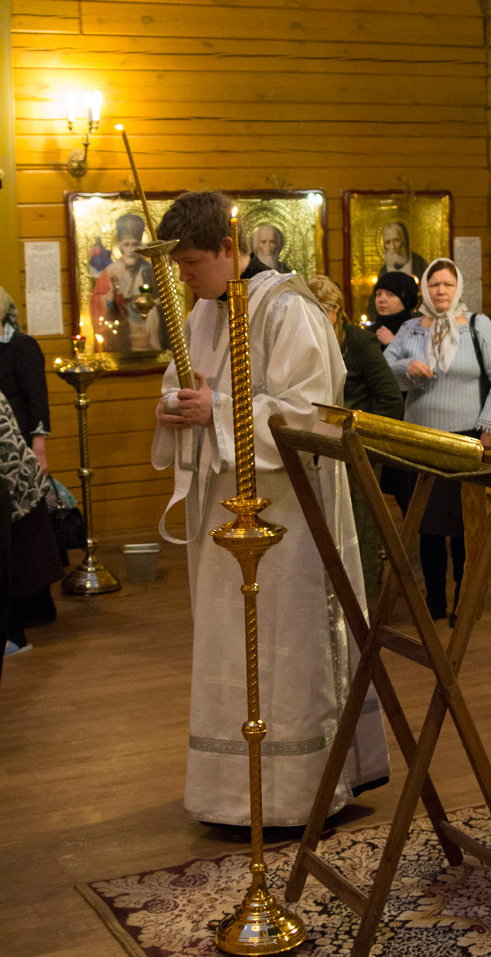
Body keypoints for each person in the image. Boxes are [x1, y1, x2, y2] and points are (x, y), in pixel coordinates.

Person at [151, 190, 389, 828]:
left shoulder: (288, 309)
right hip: (222, 516)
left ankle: (298, 793)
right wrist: (175, 407)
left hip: (287, 520)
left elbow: (313, 413)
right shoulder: (204, 311)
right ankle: (232, 794)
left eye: (192, 262)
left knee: (285, 648)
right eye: (178, 265)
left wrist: (217, 413)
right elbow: (187, 386)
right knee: (229, 650)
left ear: (229, 248)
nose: (184, 276)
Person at [384, 258, 491, 626]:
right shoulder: (410, 328)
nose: (440, 290)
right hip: (420, 438)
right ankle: (434, 600)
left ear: (458, 289)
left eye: (447, 284)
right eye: (434, 284)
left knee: (462, 525)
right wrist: (406, 368)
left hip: (465, 438)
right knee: (426, 524)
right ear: (425, 288)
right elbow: (384, 371)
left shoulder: (478, 325)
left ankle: (463, 600)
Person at [307, 275, 403, 597]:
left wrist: (361, 438)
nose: (317, 317)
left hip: (357, 447)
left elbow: (390, 397)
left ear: (337, 311)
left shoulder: (358, 342)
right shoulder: (305, 339)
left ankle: (364, 597)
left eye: (323, 309)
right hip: (320, 446)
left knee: (361, 522)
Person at [0, 287, 58, 629]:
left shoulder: (20, 345)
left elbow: (38, 399)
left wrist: (39, 448)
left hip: (19, 450)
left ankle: (35, 605)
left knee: (28, 532)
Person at [0, 391, 62, 660]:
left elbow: (8, 458)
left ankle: (13, 639)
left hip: (16, 490)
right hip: (13, 488)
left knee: (14, 571)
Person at [89, 213, 165, 352]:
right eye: (127, 244)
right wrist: (109, 296)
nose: (131, 250)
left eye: (135, 244)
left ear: (141, 245)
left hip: (149, 333)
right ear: (120, 246)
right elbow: (95, 301)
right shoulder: (110, 272)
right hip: (123, 334)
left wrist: (154, 305)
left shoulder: (151, 270)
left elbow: (166, 300)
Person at [369, 271, 419, 350]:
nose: (381, 300)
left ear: (405, 301)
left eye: (390, 294)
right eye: (378, 294)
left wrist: (393, 343)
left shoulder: (418, 333)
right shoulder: (368, 334)